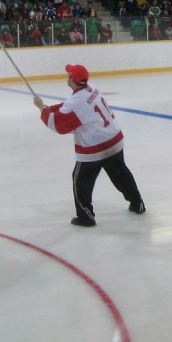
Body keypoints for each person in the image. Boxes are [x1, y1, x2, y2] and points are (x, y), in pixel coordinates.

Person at [33, 64, 145, 227]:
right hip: (114, 139)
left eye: (68, 75)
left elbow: (58, 125)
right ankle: (137, 203)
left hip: (95, 147)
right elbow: (70, 106)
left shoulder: (75, 103)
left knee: (81, 180)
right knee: (120, 173)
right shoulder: (91, 88)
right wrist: (48, 107)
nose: (67, 77)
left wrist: (42, 110)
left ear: (72, 79)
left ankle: (86, 216)